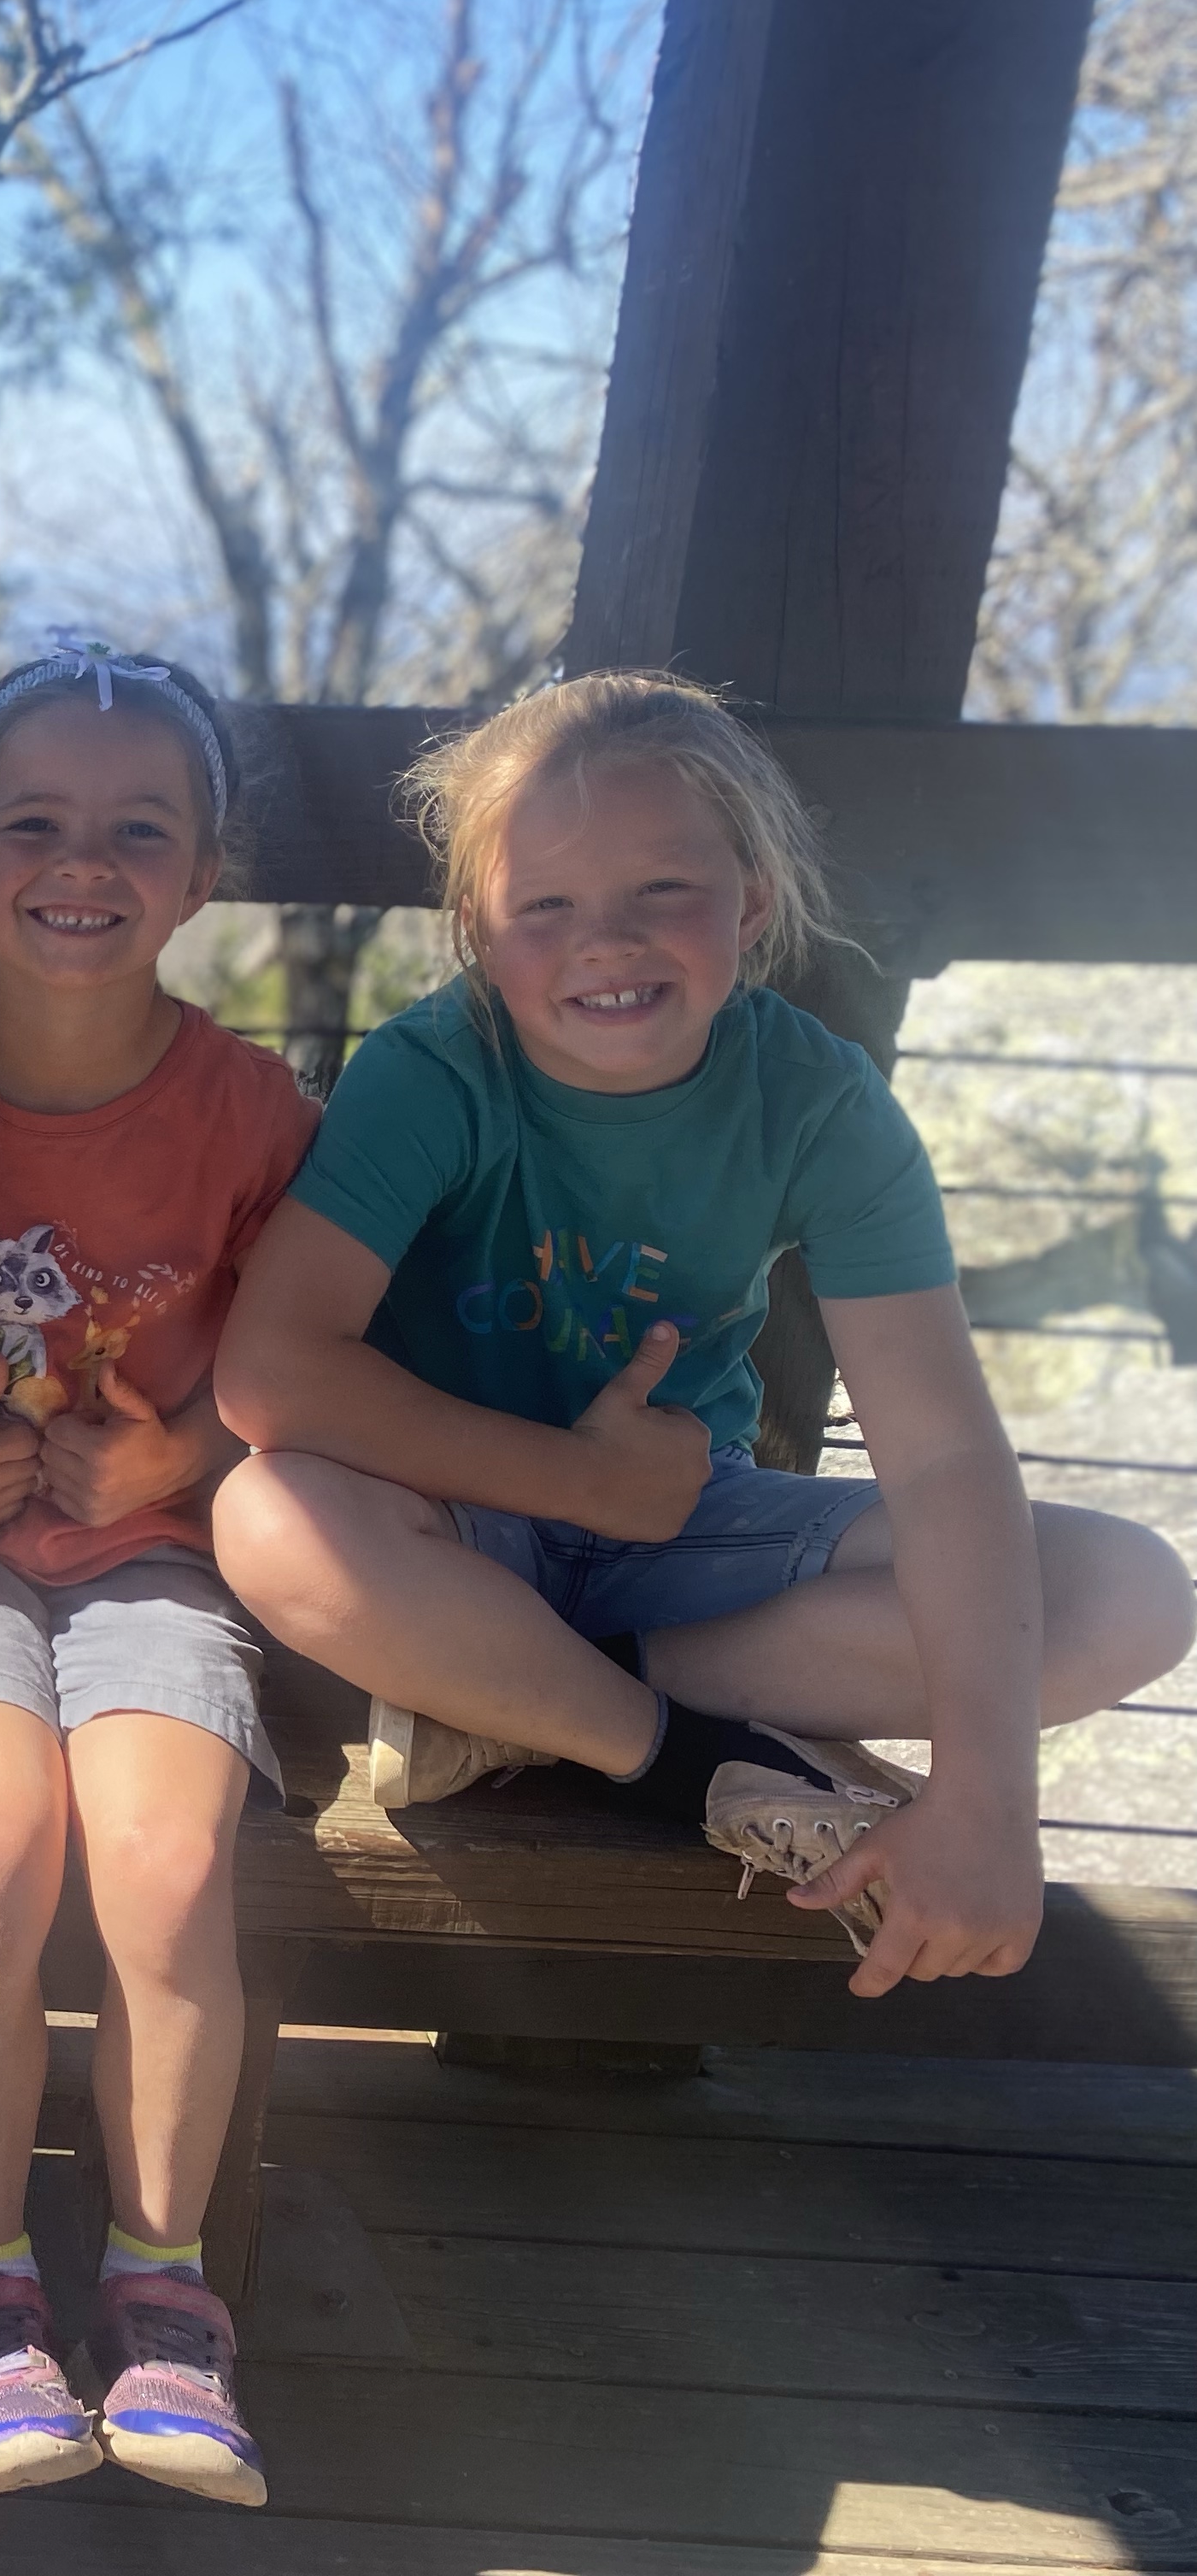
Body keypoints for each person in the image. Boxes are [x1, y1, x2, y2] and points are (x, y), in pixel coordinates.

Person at [211, 670, 1194, 2001]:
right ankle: (685, 1759)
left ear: (754, 901)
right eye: (544, 906)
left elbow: (945, 1459)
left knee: (1125, 1593)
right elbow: (272, 1375)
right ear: (478, 934)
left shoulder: (817, 1104)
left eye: (662, 890)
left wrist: (986, 1802)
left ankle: (531, 1706)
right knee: (270, 1519)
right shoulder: (435, 1071)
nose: (605, 943)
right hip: (451, 1532)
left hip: (683, 1536)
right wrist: (578, 1480)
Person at [0, 640, 314, 2514]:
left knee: (168, 1863)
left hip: (158, 1561)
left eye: (140, 829)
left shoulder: (258, 1119)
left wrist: (181, 1456)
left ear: (204, 878)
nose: (83, 862)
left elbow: (320, 1377)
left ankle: (167, 2293)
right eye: (32, 823)